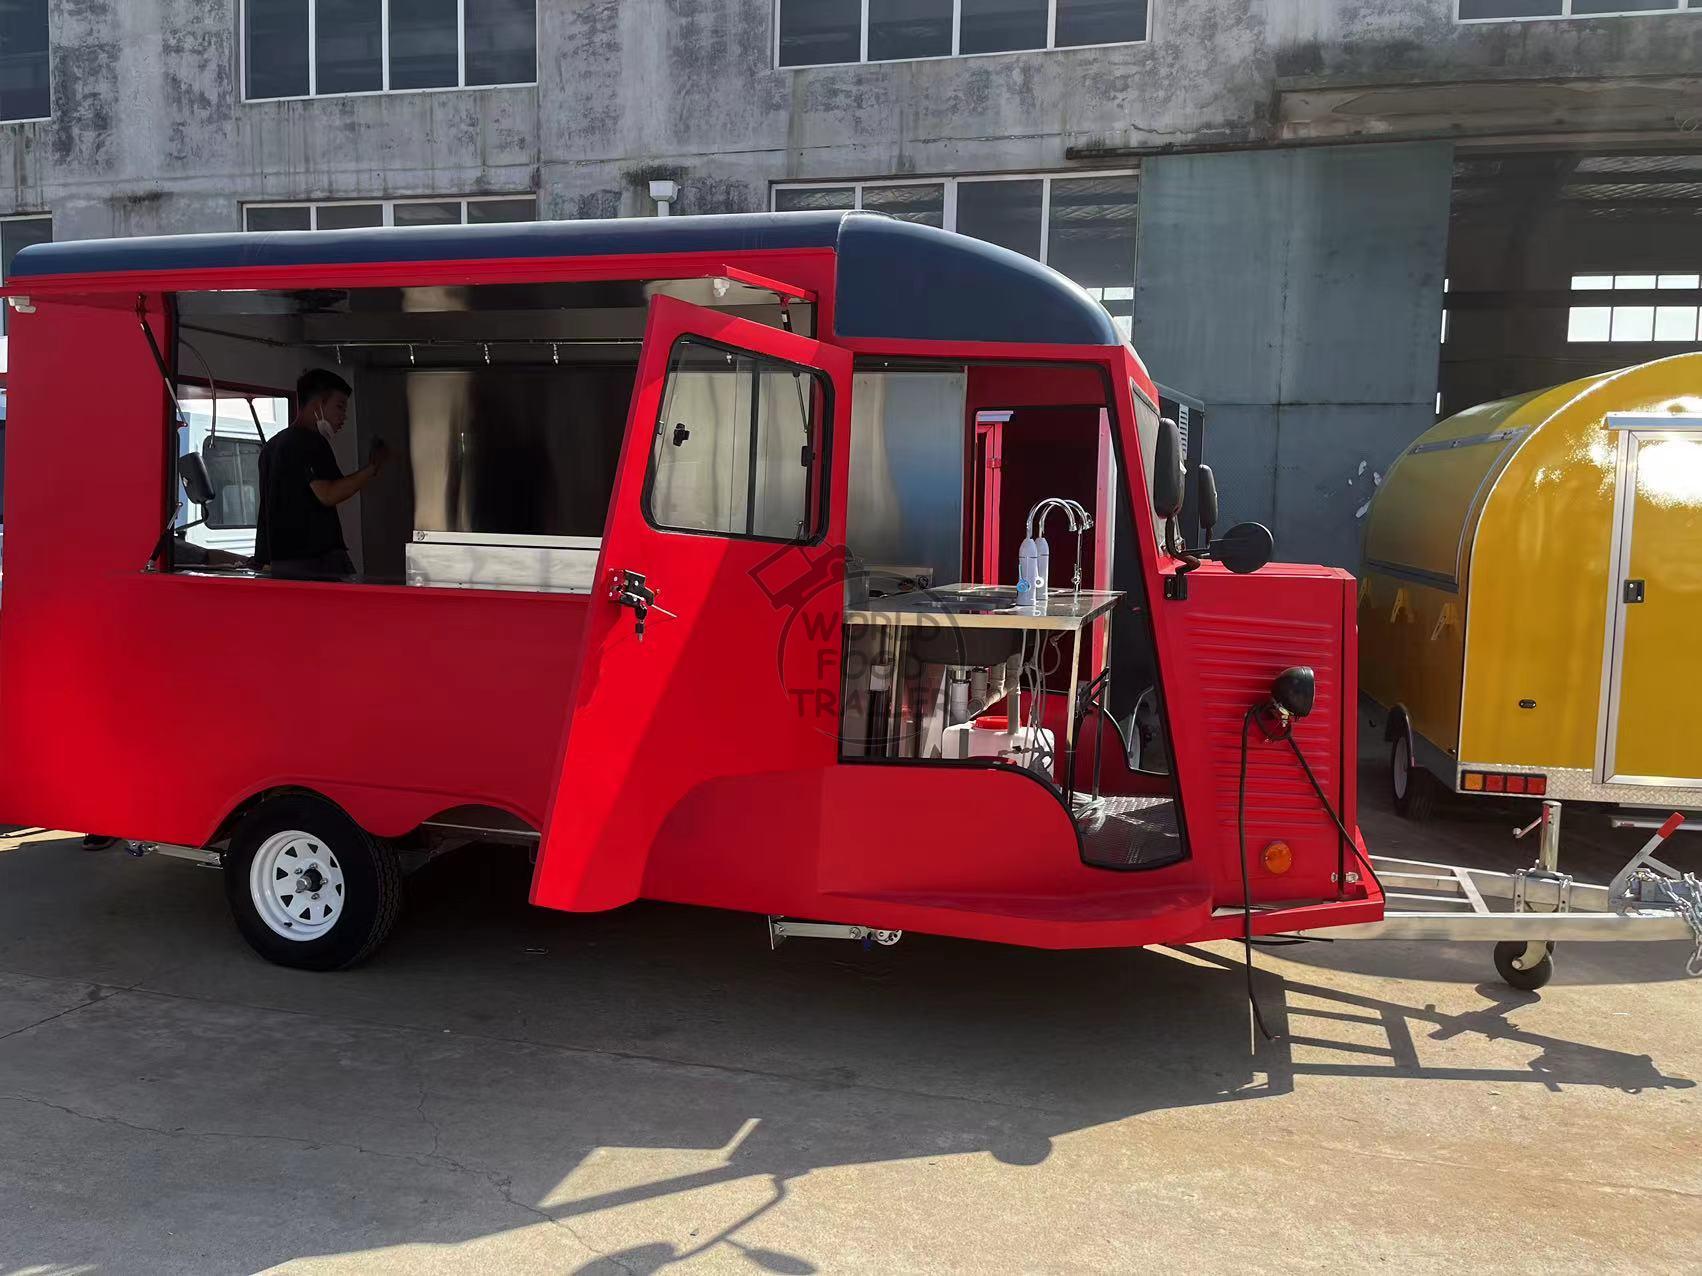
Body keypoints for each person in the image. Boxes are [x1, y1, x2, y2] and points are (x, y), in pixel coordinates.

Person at [255, 368, 389, 580]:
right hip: (314, 562)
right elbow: (328, 494)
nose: (343, 417)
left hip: (280, 563)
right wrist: (373, 468)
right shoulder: (309, 441)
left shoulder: (272, 446)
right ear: (318, 405)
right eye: (339, 407)